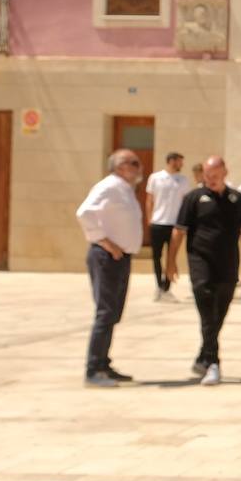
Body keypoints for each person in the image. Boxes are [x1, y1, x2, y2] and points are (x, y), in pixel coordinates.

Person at [166, 156, 241, 386]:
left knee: (219, 313)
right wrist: (170, 261)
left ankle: (203, 354)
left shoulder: (236, 198)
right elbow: (179, 231)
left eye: (215, 175)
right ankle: (213, 362)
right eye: (207, 175)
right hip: (200, 263)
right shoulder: (193, 198)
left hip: (228, 264)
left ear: (224, 172)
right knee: (207, 311)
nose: (210, 179)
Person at [74, 149, 144, 387]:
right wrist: (105, 242)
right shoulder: (109, 186)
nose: (138, 166)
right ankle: (93, 370)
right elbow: (84, 213)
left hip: (120, 258)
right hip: (106, 256)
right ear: (120, 167)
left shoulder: (124, 189)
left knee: (113, 313)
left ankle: (104, 364)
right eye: (133, 163)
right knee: (105, 313)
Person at [143, 151, 187, 302]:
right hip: (158, 223)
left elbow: (185, 203)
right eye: (180, 161)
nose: (182, 165)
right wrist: (150, 219)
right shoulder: (155, 178)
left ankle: (167, 288)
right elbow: (149, 199)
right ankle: (159, 286)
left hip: (175, 225)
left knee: (171, 257)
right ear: (172, 161)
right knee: (156, 256)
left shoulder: (183, 180)